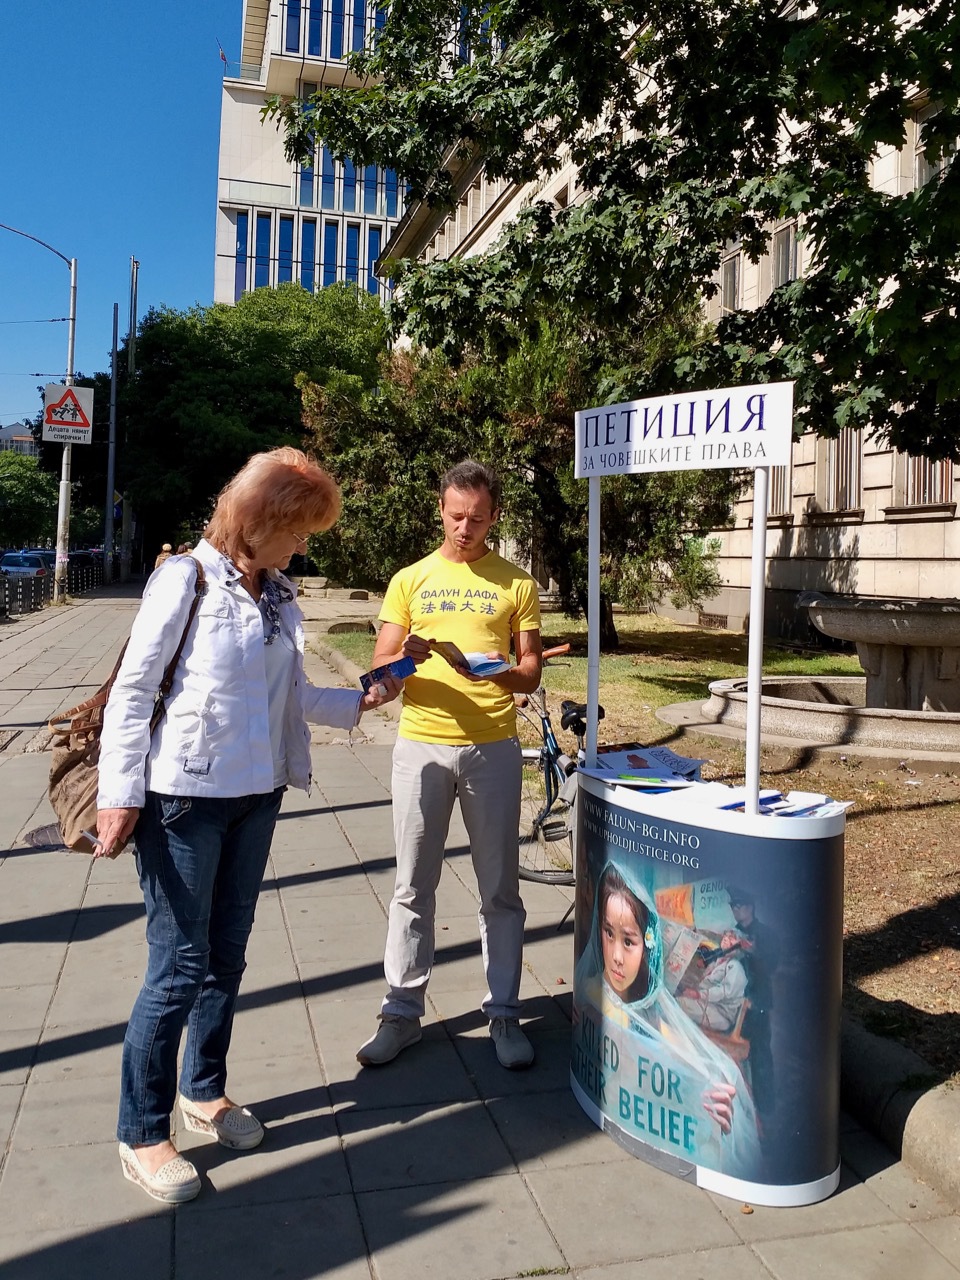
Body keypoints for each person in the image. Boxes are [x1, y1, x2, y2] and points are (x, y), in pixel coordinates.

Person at [96, 447, 400, 1205]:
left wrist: (361, 702)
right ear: (259, 519)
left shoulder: (275, 592)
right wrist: (117, 795)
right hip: (183, 802)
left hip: (256, 796)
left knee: (226, 956)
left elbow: (288, 695)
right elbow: (133, 695)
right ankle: (141, 1132)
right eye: (297, 530)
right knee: (176, 968)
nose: (305, 545)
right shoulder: (185, 581)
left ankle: (203, 1093)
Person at [356, 459, 543, 1071]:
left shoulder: (516, 583)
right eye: (457, 516)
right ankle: (401, 1012)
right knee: (413, 884)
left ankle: (505, 1015)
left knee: (500, 889)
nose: (466, 529)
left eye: (479, 519)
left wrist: (491, 669)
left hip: (492, 746)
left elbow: (531, 669)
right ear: (441, 509)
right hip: (421, 745)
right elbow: (380, 667)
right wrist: (404, 656)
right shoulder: (410, 579)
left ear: (494, 517)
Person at [574, 863, 761, 1177]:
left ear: (649, 946)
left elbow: (685, 1066)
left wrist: (708, 1099)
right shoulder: (593, 990)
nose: (616, 956)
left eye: (629, 941)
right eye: (608, 933)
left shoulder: (653, 1013)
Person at [728, 887, 780, 1125]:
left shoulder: (766, 934)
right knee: (735, 1056)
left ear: (750, 907)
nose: (736, 910)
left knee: (760, 1057)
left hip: (757, 1002)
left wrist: (751, 951)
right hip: (735, 1004)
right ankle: (744, 1109)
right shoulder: (731, 934)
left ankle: (766, 1109)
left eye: (739, 905)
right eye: (733, 906)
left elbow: (771, 965)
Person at [677, 931, 748, 1032]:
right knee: (675, 995)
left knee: (680, 1003)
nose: (726, 938)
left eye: (732, 937)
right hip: (707, 1005)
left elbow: (723, 992)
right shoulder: (717, 962)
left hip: (720, 1014)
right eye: (726, 935)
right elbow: (704, 983)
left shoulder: (736, 967)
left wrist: (698, 995)